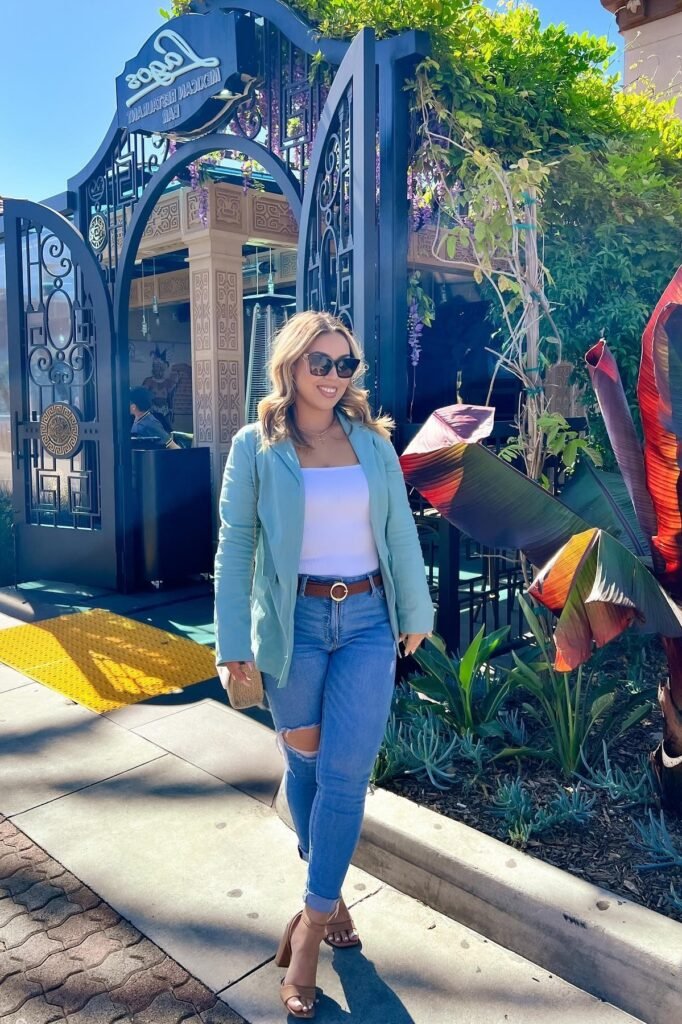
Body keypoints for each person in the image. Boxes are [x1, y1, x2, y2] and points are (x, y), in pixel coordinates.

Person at [214, 311, 434, 1019]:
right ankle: (332, 891)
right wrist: (231, 645)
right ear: (290, 365)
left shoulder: (371, 443)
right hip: (293, 625)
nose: (335, 376)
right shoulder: (256, 446)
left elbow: (398, 529)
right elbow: (234, 548)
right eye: (322, 363)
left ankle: (309, 930)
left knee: (346, 776)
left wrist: (417, 613)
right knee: (305, 768)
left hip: (369, 619)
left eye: (346, 365)